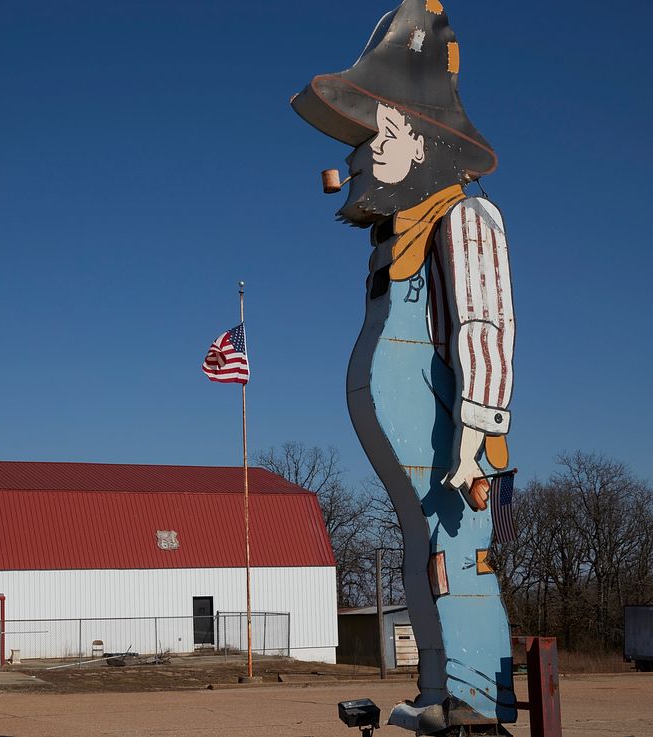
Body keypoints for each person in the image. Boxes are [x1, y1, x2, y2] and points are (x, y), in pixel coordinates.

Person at [292, 1, 517, 732]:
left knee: (458, 560)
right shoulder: (398, 242)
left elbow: (484, 322)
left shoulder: (464, 219)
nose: (357, 153)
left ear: (420, 143)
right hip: (419, 451)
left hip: (457, 451)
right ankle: (436, 686)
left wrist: (475, 428)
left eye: (377, 131)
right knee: (425, 554)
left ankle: (477, 694)